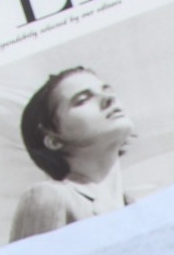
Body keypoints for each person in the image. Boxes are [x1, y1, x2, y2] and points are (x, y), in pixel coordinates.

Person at [9, 67, 137, 242]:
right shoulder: (48, 197)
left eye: (107, 90)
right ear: (54, 140)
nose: (109, 99)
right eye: (82, 100)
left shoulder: (137, 210)